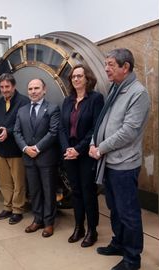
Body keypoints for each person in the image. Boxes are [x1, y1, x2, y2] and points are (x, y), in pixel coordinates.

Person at [89, 48, 150, 270]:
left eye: (111, 64)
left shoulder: (138, 93)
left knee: (128, 212)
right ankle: (119, 243)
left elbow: (129, 132)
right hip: (108, 161)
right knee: (114, 208)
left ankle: (132, 259)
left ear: (126, 67)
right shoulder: (116, 88)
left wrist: (101, 148)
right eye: (106, 64)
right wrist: (93, 143)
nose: (106, 69)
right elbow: (103, 121)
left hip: (124, 164)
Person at [59, 64, 104, 246]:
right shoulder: (67, 101)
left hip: (85, 154)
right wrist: (67, 149)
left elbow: (96, 128)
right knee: (75, 192)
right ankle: (79, 227)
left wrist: (78, 149)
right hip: (69, 153)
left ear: (87, 78)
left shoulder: (95, 99)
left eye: (79, 76)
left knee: (88, 192)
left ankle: (92, 230)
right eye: (73, 77)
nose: (76, 79)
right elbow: (62, 128)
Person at [14, 78, 60, 237]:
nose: (33, 91)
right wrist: (26, 148)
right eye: (30, 89)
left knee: (48, 191)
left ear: (44, 90)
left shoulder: (53, 109)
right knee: (34, 191)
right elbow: (16, 132)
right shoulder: (22, 110)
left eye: (37, 88)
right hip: (28, 158)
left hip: (46, 158)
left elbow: (53, 132)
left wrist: (38, 148)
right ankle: (37, 219)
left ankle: (49, 223)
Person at [0, 73, 29, 225]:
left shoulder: (24, 102)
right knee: (4, 181)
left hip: (16, 150)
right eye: (2, 87)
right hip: (0, 150)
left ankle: (18, 210)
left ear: (14, 86)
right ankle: (8, 206)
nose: (4, 90)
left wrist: (8, 131)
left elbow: (24, 124)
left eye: (7, 87)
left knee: (19, 182)